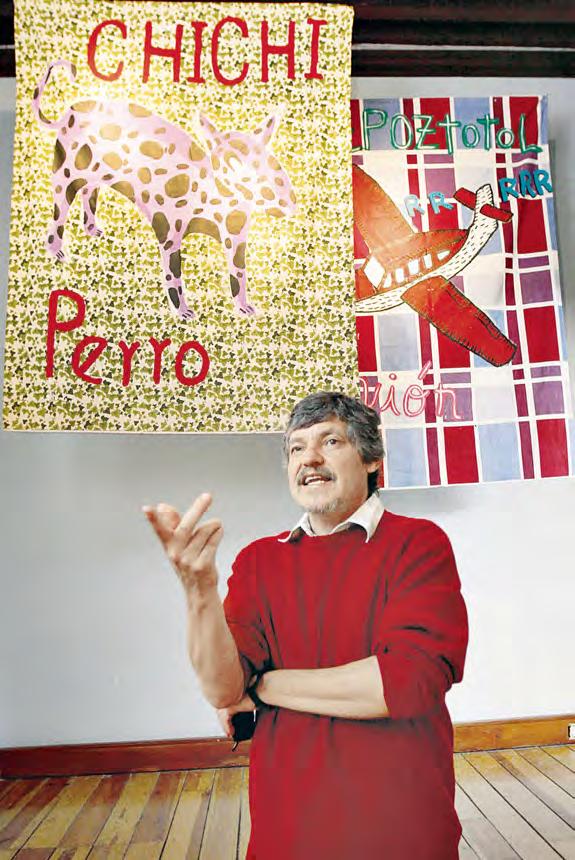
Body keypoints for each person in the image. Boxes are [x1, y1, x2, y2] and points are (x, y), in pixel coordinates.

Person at [143, 392, 468, 859]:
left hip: (401, 832)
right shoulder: (258, 560)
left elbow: (403, 684)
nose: (309, 458)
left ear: (372, 459)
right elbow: (222, 689)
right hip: (286, 834)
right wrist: (199, 592)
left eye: (330, 441)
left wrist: (261, 687)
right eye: (297, 447)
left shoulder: (419, 544)